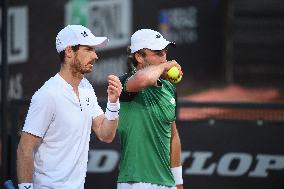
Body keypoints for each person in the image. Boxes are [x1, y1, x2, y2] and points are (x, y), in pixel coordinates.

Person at [16, 25, 122, 189]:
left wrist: (113, 103)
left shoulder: (87, 88)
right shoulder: (47, 95)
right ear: (69, 52)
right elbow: (25, 148)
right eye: (88, 49)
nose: (95, 56)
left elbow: (105, 135)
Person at [117, 29, 183, 189]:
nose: (164, 58)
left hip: (167, 183)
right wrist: (166, 66)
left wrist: (178, 182)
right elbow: (143, 78)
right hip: (136, 181)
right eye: (158, 53)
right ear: (139, 57)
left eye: (165, 53)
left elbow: (173, 136)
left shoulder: (169, 89)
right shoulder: (125, 82)